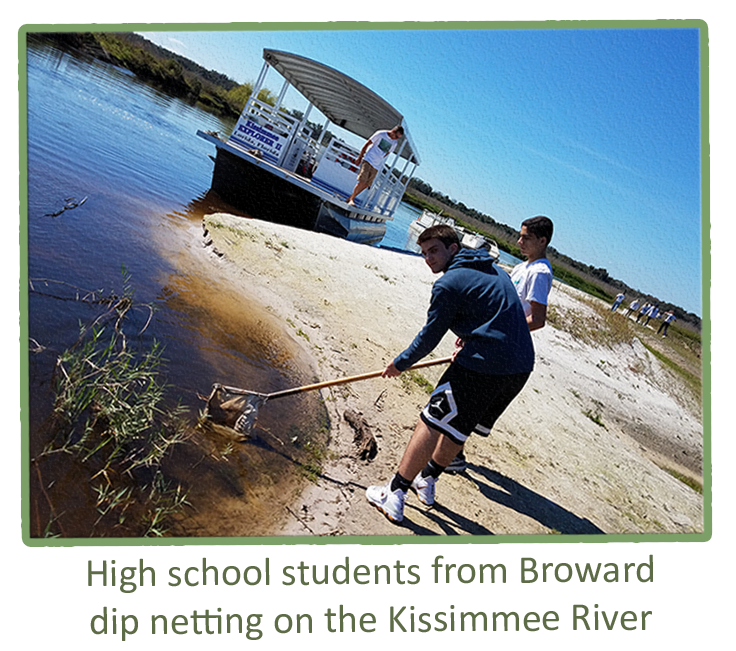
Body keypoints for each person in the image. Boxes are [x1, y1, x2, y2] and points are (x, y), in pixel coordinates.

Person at [365, 224, 534, 523]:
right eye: (424, 253)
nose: (428, 258)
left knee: (432, 419)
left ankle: (395, 492)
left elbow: (428, 338)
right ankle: (427, 480)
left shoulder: (448, 283)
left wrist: (400, 363)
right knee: (459, 426)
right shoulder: (497, 271)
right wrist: (472, 338)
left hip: (484, 366)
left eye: (434, 251)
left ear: (453, 249)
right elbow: (499, 314)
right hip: (519, 369)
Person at [445, 215, 554, 474]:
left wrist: (496, 331)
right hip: (491, 339)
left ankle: (453, 455)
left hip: (505, 347)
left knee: (468, 398)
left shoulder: (540, 272)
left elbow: (537, 319)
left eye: (526, 238)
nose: (519, 242)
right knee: (462, 395)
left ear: (542, 240)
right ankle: (451, 451)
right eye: (520, 236)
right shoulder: (521, 268)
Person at [346, 126, 404, 206]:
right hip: (368, 160)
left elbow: (387, 152)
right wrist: (360, 157)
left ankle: (350, 198)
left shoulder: (394, 143)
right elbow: (367, 144)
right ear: (393, 131)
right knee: (362, 180)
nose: (396, 139)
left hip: (376, 165)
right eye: (396, 136)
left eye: (398, 138)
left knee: (366, 184)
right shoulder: (380, 134)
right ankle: (352, 200)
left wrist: (379, 158)